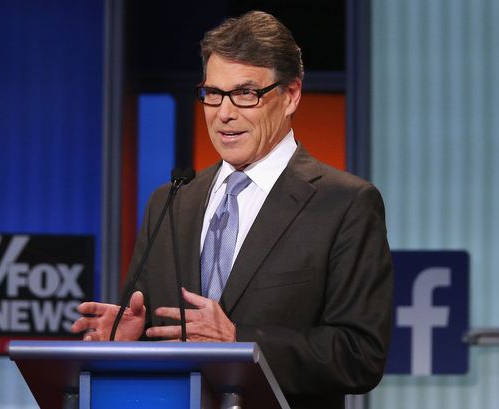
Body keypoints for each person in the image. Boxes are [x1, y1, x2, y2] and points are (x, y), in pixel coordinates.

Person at [71, 10, 393, 409]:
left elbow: (360, 354)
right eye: (212, 93)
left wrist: (241, 340)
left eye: (246, 94)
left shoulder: (345, 204)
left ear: (291, 95)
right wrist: (128, 338)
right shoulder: (171, 200)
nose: (224, 113)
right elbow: (149, 324)